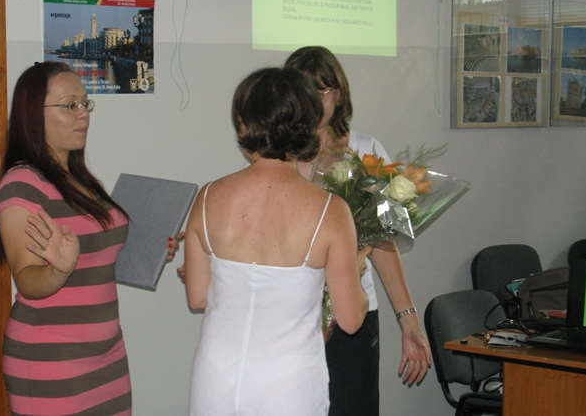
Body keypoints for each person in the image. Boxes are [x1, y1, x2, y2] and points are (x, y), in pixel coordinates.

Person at [0, 61, 177, 415]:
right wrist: (58, 270)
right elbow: (27, 279)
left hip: (107, 354)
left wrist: (150, 251)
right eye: (70, 105)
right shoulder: (22, 184)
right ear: (33, 115)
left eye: (85, 103)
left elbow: (95, 259)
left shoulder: (79, 179)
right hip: (52, 360)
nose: (84, 114)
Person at [184, 66, 369, 415]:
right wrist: (356, 272)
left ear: (243, 125)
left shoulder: (207, 197)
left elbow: (198, 297)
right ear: (308, 124)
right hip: (289, 384)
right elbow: (350, 319)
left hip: (216, 376)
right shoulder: (330, 210)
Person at [285, 46, 432, 415]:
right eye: (301, 91)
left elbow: (382, 241)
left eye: (319, 91)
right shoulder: (277, 156)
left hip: (354, 311)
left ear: (338, 94)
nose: (311, 102)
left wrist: (409, 320)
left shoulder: (365, 152)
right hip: (292, 311)